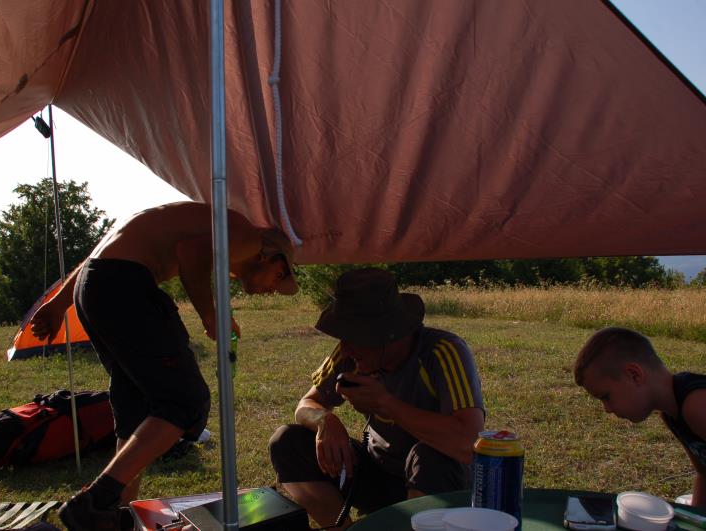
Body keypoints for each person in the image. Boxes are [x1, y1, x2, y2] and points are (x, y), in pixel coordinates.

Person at [29, 201, 298, 531]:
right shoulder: (249, 237)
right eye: (280, 275)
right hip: (124, 285)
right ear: (267, 255)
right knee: (185, 401)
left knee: (137, 409)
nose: (274, 288)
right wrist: (211, 316)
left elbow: (99, 256)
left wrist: (58, 304)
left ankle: (114, 517)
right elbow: (191, 254)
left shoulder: (200, 227)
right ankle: (94, 503)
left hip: (95, 286)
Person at [268, 268, 485, 530]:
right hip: (376, 471)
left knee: (429, 456)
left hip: (437, 482)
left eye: (352, 336)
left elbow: (469, 442)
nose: (344, 347)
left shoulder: (442, 352)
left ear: (385, 334)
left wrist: (385, 404)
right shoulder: (350, 354)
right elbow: (306, 405)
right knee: (286, 441)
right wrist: (324, 420)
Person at [574, 327, 706, 510]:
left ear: (634, 375)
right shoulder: (671, 414)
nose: (607, 409)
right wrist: (697, 518)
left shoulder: (698, 405)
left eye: (606, 396)